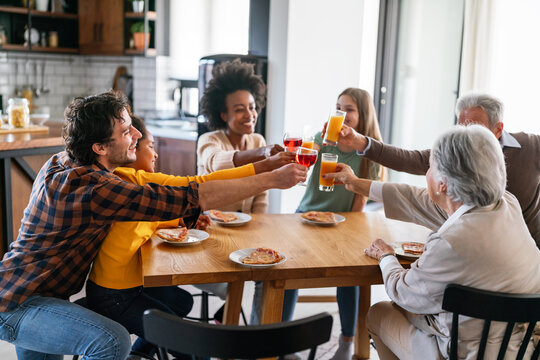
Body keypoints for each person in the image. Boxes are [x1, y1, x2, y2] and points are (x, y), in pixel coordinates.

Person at [0, 91, 307, 359]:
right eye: (125, 130)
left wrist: (264, 167)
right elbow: (193, 195)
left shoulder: (65, 161)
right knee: (111, 340)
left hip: (32, 293)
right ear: (100, 148)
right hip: (20, 303)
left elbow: (192, 186)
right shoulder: (96, 190)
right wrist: (269, 180)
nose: (136, 133)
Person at [325, 124, 540, 359]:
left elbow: (404, 292)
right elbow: (418, 200)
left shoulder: (450, 242)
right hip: (518, 350)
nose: (427, 172)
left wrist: (387, 257)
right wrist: (357, 183)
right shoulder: (508, 204)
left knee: (379, 313)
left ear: (442, 184)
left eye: (430, 166)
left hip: (462, 353)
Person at [86, 115, 290, 357]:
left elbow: (146, 218)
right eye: (150, 146)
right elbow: (200, 183)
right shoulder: (130, 178)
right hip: (115, 295)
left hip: (134, 284)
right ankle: (142, 351)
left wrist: (181, 219)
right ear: (129, 150)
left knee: (183, 302)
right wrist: (267, 169)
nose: (156, 153)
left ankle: (141, 351)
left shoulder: (134, 187)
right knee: (197, 350)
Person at [346, 92, 540, 247]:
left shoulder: (531, 146)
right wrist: (359, 141)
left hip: (527, 250)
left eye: (474, 127)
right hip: (474, 246)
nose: (464, 134)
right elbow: (411, 159)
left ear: (498, 129)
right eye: (460, 126)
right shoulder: (458, 151)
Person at [196, 59, 296, 324]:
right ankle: (227, 330)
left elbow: (262, 196)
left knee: (275, 273)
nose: (249, 115)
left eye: (252, 107)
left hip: (246, 237)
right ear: (223, 114)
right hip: (212, 237)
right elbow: (217, 162)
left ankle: (256, 337)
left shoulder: (258, 139)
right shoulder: (209, 141)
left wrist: (260, 231)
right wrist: (261, 155)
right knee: (244, 282)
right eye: (239, 109)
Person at [295, 88, 385, 360]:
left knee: (351, 278)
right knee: (286, 274)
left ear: (363, 115)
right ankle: (280, 342)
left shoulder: (369, 154)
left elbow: (358, 208)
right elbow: (303, 160)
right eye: (338, 107)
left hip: (342, 222)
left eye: (349, 109)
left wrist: (346, 231)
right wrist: (310, 146)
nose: (342, 114)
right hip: (306, 215)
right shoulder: (326, 140)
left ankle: (347, 342)